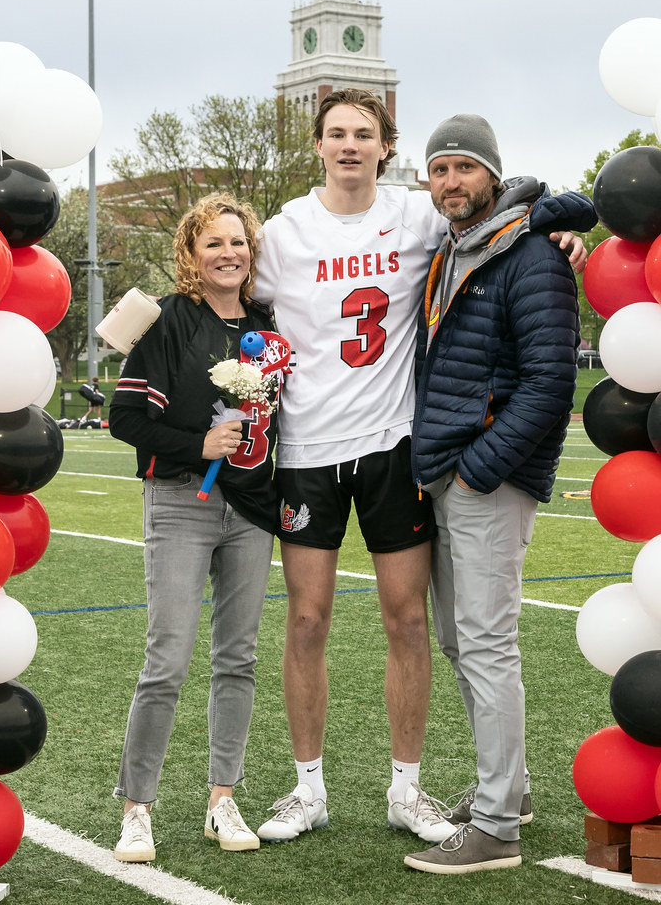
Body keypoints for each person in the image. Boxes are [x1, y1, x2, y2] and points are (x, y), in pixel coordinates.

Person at [252, 89, 593, 845]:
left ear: (383, 146)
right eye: (335, 133)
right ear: (317, 144)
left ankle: (410, 790)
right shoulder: (283, 231)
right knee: (309, 620)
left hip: (395, 445)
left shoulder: (416, 214)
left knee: (412, 621)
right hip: (307, 448)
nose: (348, 145)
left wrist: (559, 227)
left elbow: (514, 205)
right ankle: (308, 789)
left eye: (363, 134)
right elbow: (227, 292)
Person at [404, 115, 582, 875]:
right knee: (459, 639)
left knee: (484, 642)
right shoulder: (454, 248)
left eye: (464, 168)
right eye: (439, 169)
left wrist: (481, 468)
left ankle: (498, 827)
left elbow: (551, 382)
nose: (451, 182)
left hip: (486, 477)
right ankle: (507, 790)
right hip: (446, 470)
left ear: (493, 174)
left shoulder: (531, 253)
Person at [109, 192, 279, 861]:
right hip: (182, 501)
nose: (227, 253)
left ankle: (222, 798)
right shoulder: (166, 320)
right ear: (190, 253)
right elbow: (125, 419)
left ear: (251, 251)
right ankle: (137, 808)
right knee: (167, 660)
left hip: (253, 509)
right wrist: (197, 445)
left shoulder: (270, 323)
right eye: (213, 243)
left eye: (237, 242)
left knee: (238, 658)